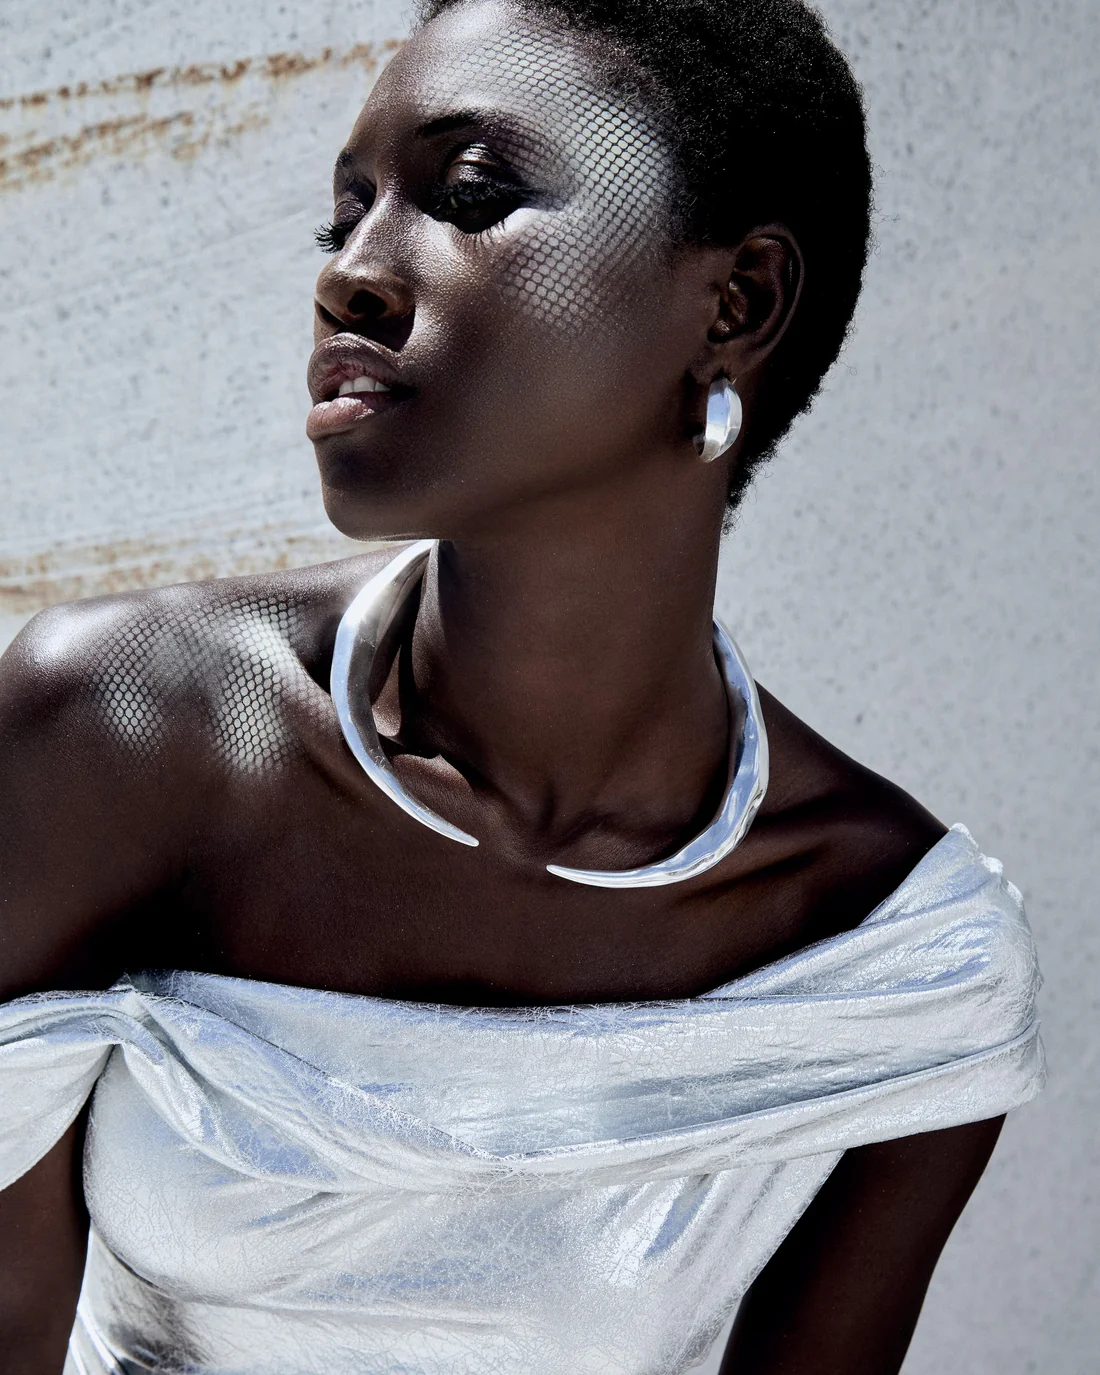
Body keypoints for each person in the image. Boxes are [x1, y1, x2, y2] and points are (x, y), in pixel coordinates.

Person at [0, 1, 1043, 1372]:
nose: (352, 274)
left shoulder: (889, 956)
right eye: (342, 218)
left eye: (470, 193)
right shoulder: (119, 734)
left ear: (736, 303)